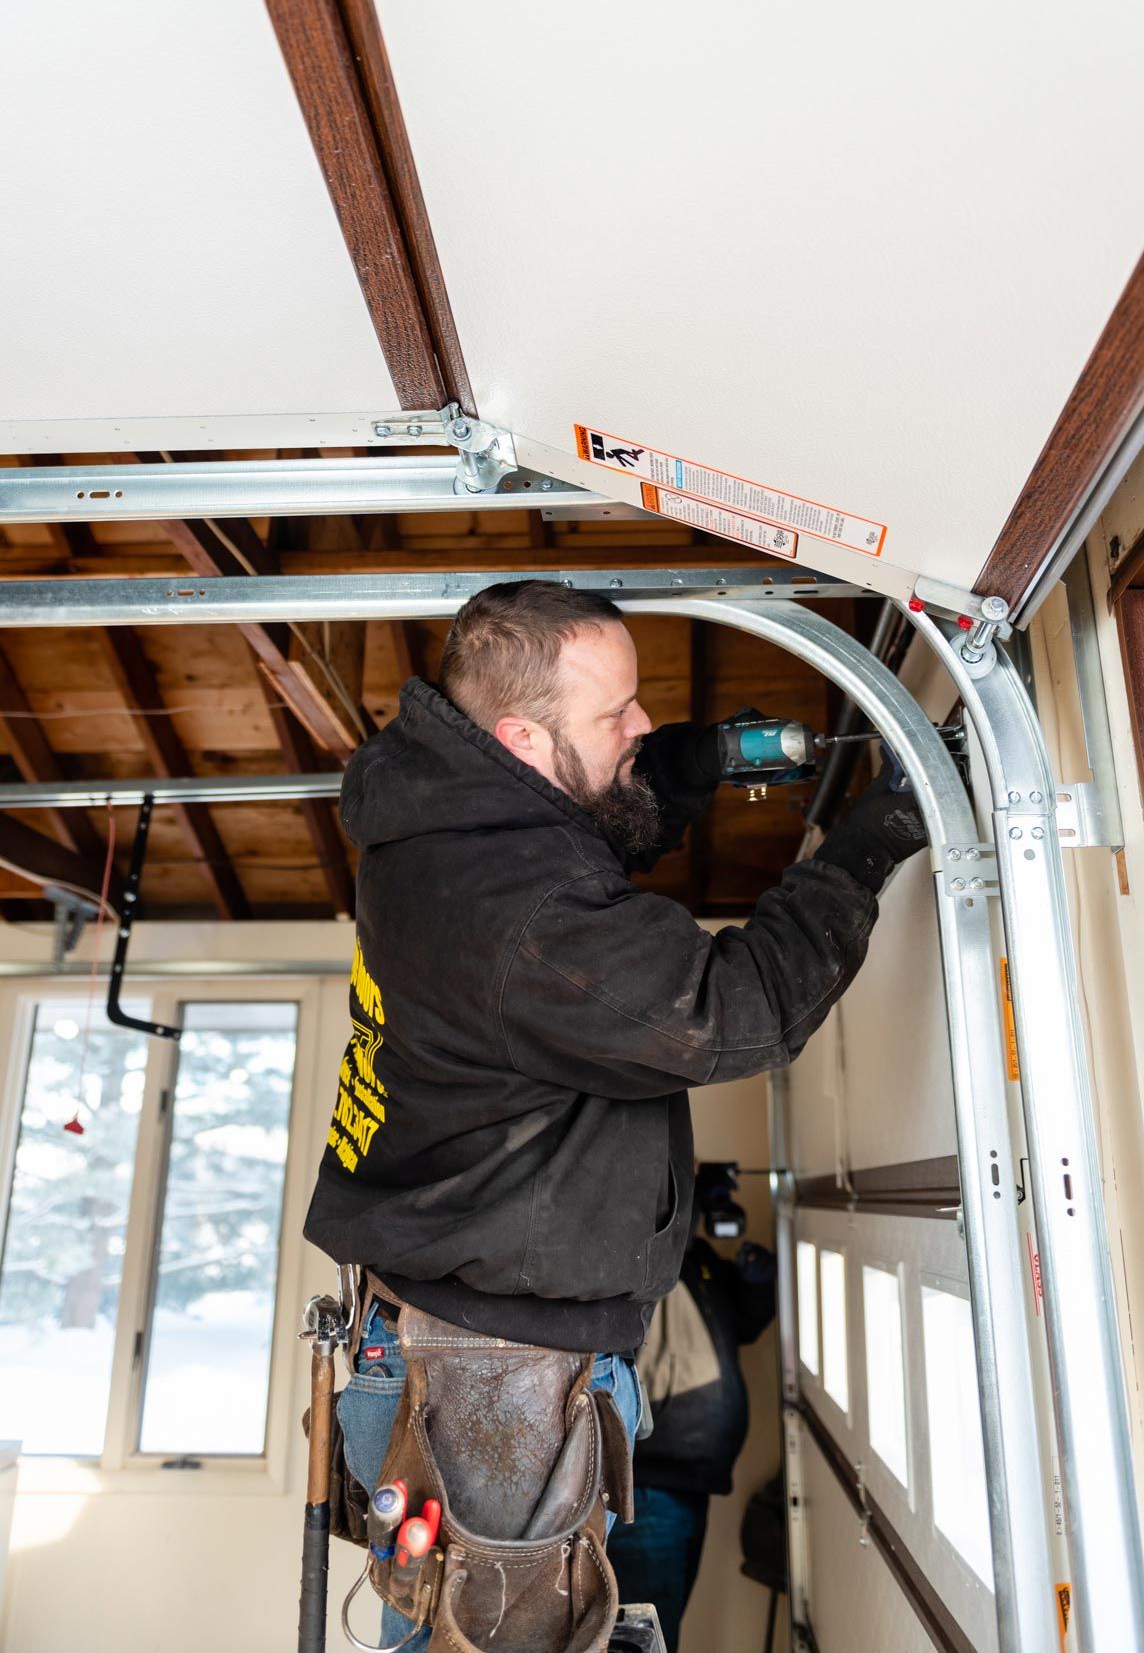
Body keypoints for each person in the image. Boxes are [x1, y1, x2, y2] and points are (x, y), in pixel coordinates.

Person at [303, 579, 926, 1647]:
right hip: (489, 1382)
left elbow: (565, 836)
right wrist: (864, 849)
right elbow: (731, 1014)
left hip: (440, 1341)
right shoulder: (524, 917)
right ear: (520, 738)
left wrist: (689, 766)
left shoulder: (435, 824)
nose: (640, 724)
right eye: (618, 716)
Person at [607, 1214, 777, 1652]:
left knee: (656, 1630)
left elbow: (740, 1321)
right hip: (645, 1487)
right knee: (641, 1636)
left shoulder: (698, 1261)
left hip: (685, 1484)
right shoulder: (639, 1248)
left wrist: (758, 1279)